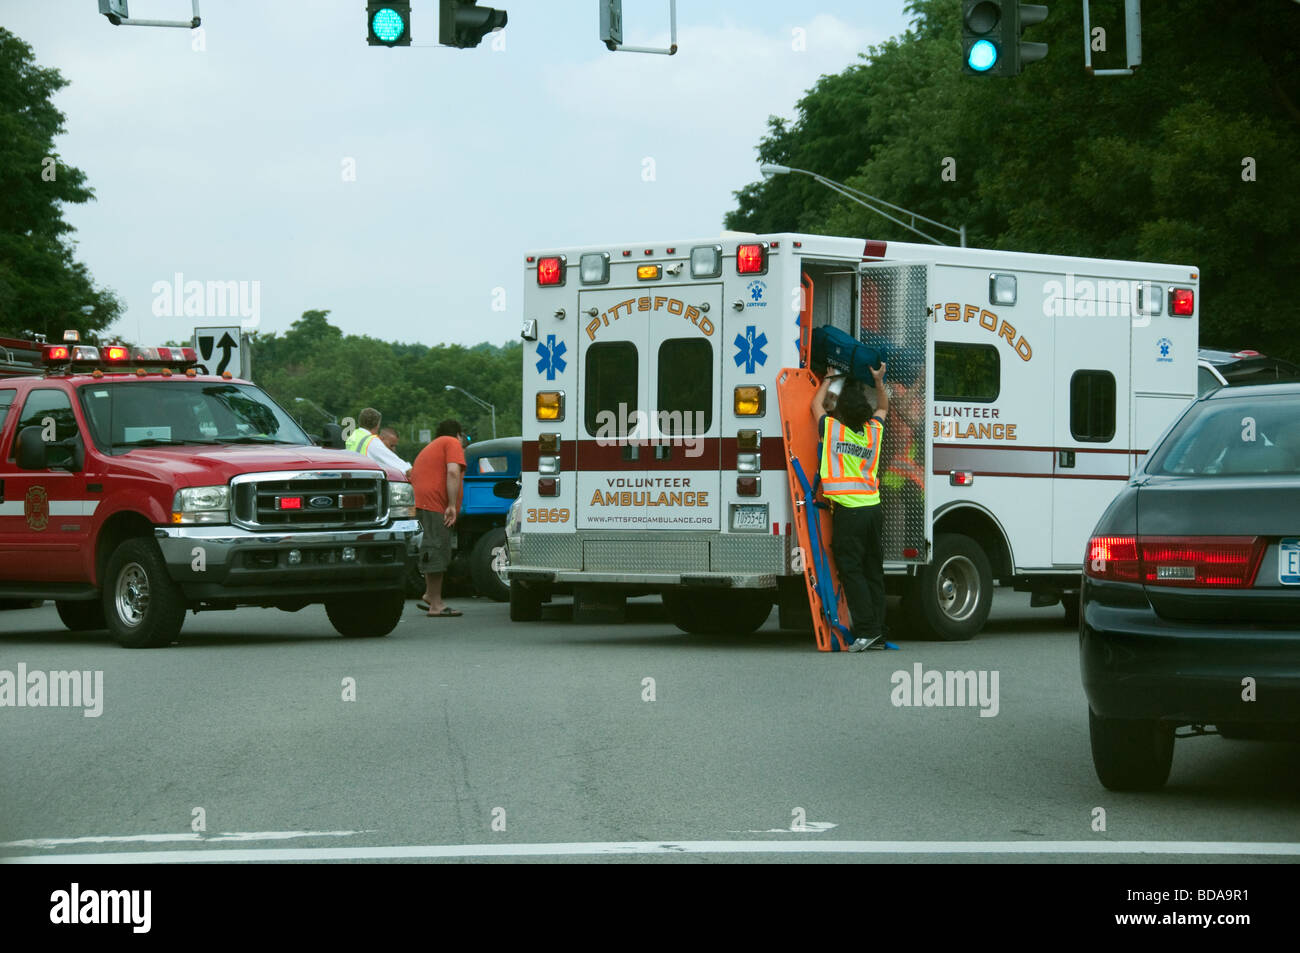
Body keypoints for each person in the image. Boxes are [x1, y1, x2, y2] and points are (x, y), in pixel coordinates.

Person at [811, 363, 889, 651]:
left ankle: (867, 631)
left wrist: (828, 380)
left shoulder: (832, 430)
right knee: (872, 570)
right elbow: (883, 407)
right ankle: (879, 631)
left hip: (849, 511)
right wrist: (878, 382)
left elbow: (814, 405)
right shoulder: (874, 431)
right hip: (873, 509)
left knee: (851, 570)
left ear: (841, 412)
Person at [410, 419, 467, 618]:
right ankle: (436, 604)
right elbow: (452, 472)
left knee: (434, 546)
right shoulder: (452, 443)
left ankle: (430, 594)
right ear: (458, 434)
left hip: (425, 501)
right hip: (435, 504)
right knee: (436, 548)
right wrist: (451, 505)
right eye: (463, 437)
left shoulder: (433, 446)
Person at [345, 407, 411, 478]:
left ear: (360, 421)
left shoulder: (352, 436)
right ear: (377, 424)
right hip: (364, 482)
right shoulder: (371, 441)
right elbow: (402, 467)